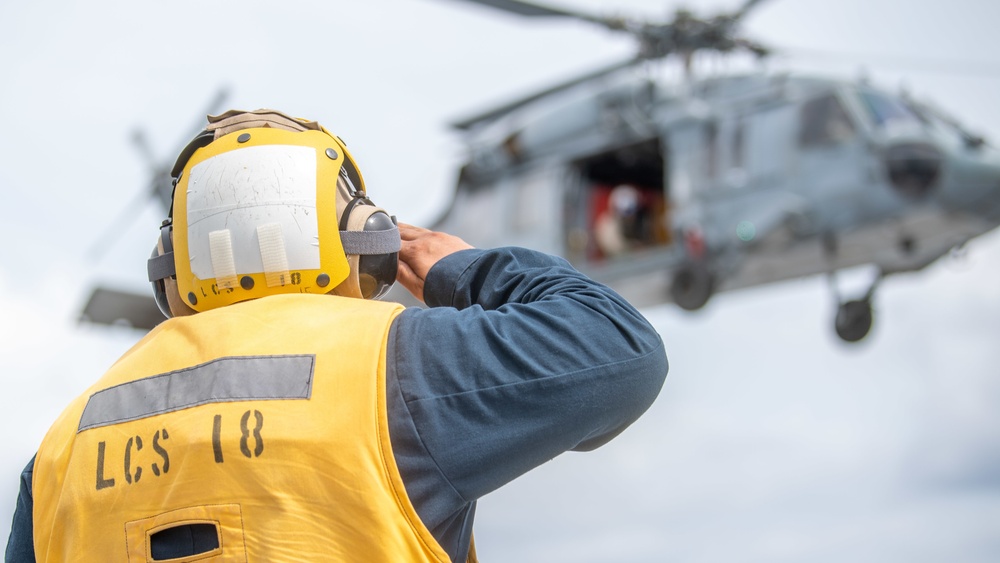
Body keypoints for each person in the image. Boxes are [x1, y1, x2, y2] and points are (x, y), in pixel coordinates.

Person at [5, 109, 668, 562]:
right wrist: (457, 268)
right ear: (364, 236)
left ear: (172, 268)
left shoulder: (64, 449)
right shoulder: (395, 365)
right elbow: (620, 349)